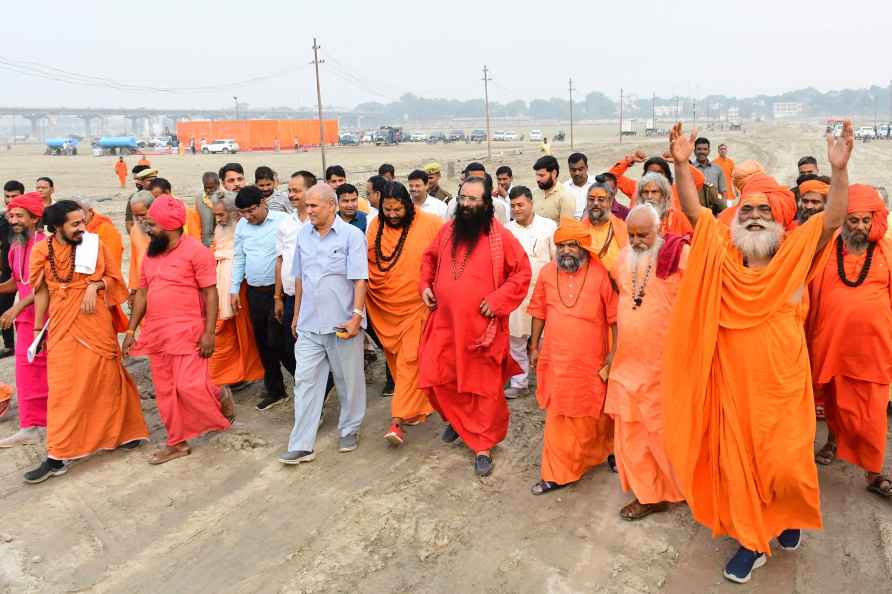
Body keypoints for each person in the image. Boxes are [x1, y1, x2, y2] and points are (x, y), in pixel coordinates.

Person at [663, 121, 851, 583]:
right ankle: (751, 541)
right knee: (738, 467)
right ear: (736, 216)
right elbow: (693, 213)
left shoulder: (794, 254)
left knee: (786, 467)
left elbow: (830, 220)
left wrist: (839, 170)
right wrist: (682, 166)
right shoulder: (722, 256)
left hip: (784, 390)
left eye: (763, 210)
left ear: (778, 219)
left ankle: (786, 516)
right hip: (732, 389)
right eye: (746, 209)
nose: (753, 215)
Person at [25, 201, 148, 483]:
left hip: (95, 324)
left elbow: (115, 279)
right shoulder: (42, 251)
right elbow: (41, 292)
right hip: (61, 326)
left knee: (106, 380)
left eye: (83, 222)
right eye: (75, 224)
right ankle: (57, 456)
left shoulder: (93, 244)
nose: (83, 228)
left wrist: (96, 285)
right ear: (57, 227)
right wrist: (36, 329)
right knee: (63, 390)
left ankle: (124, 432)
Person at [418, 177, 532, 476]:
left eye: (473, 200)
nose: (467, 205)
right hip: (444, 324)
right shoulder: (448, 231)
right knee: (438, 376)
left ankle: (482, 445)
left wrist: (497, 300)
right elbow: (428, 259)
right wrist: (425, 286)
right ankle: (459, 423)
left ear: (486, 203)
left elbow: (521, 273)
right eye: (463, 198)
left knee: (482, 389)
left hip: (481, 331)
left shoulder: (500, 237)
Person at [123, 195, 232, 464]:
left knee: (190, 386)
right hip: (157, 334)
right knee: (165, 392)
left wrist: (208, 333)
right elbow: (143, 293)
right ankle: (177, 443)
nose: (148, 229)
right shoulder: (151, 253)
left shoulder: (196, 252)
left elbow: (210, 293)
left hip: (188, 332)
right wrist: (130, 331)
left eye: (152, 225)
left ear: (170, 227)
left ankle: (219, 395)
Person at [808, 184, 892, 497]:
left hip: (874, 349)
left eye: (865, 221)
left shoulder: (886, 251)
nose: (859, 226)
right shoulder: (826, 250)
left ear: (874, 222)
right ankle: (832, 441)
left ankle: (874, 473)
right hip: (832, 346)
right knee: (835, 402)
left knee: (872, 412)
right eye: (853, 220)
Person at [605, 204, 687, 520]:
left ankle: (675, 488)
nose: (638, 241)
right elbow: (620, 289)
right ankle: (649, 494)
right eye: (634, 234)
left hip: (664, 366)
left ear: (660, 227)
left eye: (645, 235)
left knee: (663, 431)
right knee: (630, 431)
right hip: (628, 362)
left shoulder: (677, 256)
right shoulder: (624, 257)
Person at [279, 183, 369, 464]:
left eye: (313, 206)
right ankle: (302, 444)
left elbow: (360, 279)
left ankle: (350, 428)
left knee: (348, 380)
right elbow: (300, 277)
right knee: (305, 382)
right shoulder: (302, 235)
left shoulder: (351, 236)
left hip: (342, 322)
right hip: (308, 323)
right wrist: (295, 316)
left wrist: (356, 316)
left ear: (332, 206)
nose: (307, 211)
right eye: (306, 206)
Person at [527, 219, 617, 494]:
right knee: (560, 416)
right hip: (556, 359)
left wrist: (614, 354)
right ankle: (557, 472)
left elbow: (614, 319)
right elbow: (539, 311)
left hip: (592, 360)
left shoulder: (601, 274)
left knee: (595, 413)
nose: (566, 250)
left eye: (572, 245)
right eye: (561, 245)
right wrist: (533, 345)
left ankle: (606, 450)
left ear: (583, 247)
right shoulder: (545, 273)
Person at [366, 181, 443, 445]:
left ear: (408, 205)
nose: (392, 215)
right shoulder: (375, 226)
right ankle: (417, 406)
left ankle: (397, 421)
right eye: (387, 210)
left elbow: (446, 259)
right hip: (385, 307)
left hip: (418, 306)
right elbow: (370, 263)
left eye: (397, 209)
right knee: (399, 362)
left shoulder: (431, 223)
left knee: (410, 360)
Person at [230, 185, 291, 411]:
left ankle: (311, 383)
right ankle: (276, 390)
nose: (247, 216)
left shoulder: (284, 221)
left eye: (251, 210)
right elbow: (239, 257)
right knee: (263, 342)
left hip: (280, 291)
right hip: (254, 292)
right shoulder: (242, 227)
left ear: (263, 203)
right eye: (242, 212)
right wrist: (234, 289)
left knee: (280, 341)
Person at [0, 193, 48, 447]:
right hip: (25, 320)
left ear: (35, 218)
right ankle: (31, 425)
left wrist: (16, 307)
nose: (13, 220)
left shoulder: (44, 244)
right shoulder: (16, 246)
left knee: (47, 372)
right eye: (11, 215)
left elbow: (42, 286)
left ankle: (43, 425)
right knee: (26, 373)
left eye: (19, 216)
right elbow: (17, 282)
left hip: (46, 318)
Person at [209, 191, 264, 404]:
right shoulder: (220, 228)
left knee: (245, 334)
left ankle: (244, 374)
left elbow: (241, 257)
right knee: (222, 333)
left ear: (234, 214)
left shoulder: (243, 229)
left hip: (240, 290)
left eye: (222, 215)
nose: (219, 219)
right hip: (220, 290)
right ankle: (228, 377)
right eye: (216, 215)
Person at [505, 186, 556, 399]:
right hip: (516, 294)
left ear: (531, 203)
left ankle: (547, 385)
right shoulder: (506, 230)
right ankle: (520, 382)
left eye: (520, 205)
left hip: (543, 292)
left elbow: (556, 261)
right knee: (516, 339)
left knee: (545, 340)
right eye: (513, 205)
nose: (516, 209)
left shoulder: (549, 227)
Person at [582, 181, 629, 274]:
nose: (595, 203)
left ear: (610, 202)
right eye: (591, 199)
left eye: (601, 199)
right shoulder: (578, 230)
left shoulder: (623, 228)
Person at [0, 181, 24, 360]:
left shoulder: (30, 218)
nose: (10, 200)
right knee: (3, 307)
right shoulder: (2, 220)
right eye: (7, 196)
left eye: (14, 196)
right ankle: (9, 345)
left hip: (27, 271)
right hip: (7, 271)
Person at [78, 197, 124, 275]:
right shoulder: (75, 229)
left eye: (82, 214)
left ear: (90, 211)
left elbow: (112, 260)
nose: (79, 218)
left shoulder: (106, 229)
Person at [532, 156, 576, 224]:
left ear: (554, 174)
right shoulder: (534, 193)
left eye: (541, 175)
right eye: (537, 175)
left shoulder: (565, 196)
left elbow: (566, 229)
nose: (537, 179)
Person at [127, 191, 154, 299]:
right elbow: (134, 261)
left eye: (142, 215)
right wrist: (133, 290)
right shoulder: (135, 229)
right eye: (135, 216)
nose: (139, 219)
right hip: (142, 287)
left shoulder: (167, 230)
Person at [692, 137, 729, 201]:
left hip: (715, 209)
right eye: (699, 149)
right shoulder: (689, 169)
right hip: (695, 208)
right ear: (695, 151)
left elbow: (723, 191)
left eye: (705, 149)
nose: (702, 152)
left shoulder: (717, 169)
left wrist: (723, 208)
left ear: (709, 151)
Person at [565, 153, 595, 220]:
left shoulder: (597, 184)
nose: (577, 173)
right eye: (573, 170)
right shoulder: (564, 188)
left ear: (587, 167)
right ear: (569, 170)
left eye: (580, 169)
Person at [195, 172, 220, 247]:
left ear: (218, 184)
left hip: (218, 242)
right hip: (203, 241)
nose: (208, 190)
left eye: (211, 187)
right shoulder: (199, 198)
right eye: (206, 187)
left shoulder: (223, 199)